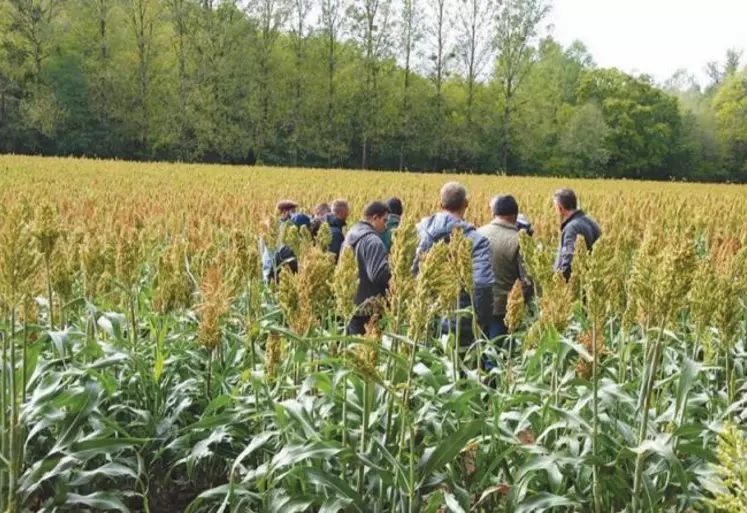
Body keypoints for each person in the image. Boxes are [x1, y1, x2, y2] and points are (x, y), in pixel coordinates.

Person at [414, 182, 495, 345]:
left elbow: (410, 273)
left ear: (440, 204)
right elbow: (482, 284)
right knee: (458, 367)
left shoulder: (418, 233)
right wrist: (481, 319)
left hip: (423, 315)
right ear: (466, 204)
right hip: (460, 320)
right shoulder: (476, 241)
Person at [478, 195, 533, 341]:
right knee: (497, 355)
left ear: (494, 214)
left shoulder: (477, 234)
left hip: (477, 305)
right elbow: (527, 281)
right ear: (515, 215)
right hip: (503, 309)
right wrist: (518, 305)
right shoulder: (519, 241)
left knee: (477, 352)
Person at [343, 201, 392, 335]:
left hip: (351, 304)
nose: (386, 225)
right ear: (375, 218)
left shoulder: (350, 235)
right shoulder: (373, 241)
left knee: (353, 349)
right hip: (369, 309)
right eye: (384, 220)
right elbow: (378, 274)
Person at [553, 188, 601, 279]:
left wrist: (561, 282)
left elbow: (569, 258)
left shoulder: (571, 228)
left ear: (560, 208)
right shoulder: (591, 223)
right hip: (590, 279)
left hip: (576, 283)